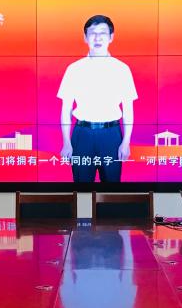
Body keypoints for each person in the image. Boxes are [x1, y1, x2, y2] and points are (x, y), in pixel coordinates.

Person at [58, 14, 138, 183]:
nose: (97, 37)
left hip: (111, 135)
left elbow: (128, 110)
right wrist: (66, 142)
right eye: (92, 33)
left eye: (102, 33)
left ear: (111, 37)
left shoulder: (122, 69)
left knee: (112, 190)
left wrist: (126, 142)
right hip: (82, 134)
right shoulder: (74, 69)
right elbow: (66, 109)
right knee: (80, 187)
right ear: (85, 37)